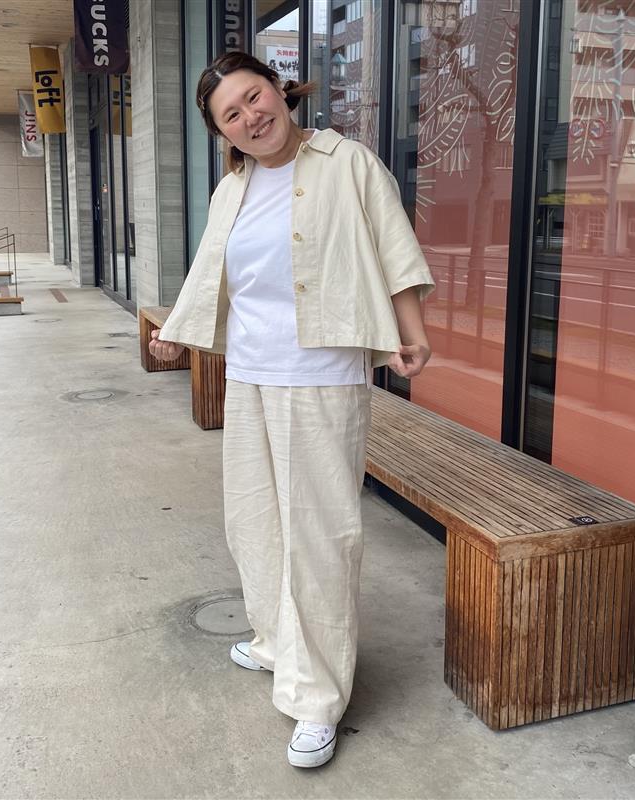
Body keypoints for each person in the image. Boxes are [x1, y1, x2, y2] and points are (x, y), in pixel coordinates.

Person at [150, 51, 434, 768]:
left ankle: (317, 698)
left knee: (318, 534)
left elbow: (394, 251)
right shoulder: (233, 189)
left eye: (254, 96)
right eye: (231, 114)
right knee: (254, 521)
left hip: (321, 376)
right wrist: (177, 334)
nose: (251, 117)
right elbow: (212, 273)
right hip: (249, 373)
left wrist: (411, 332)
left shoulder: (347, 163)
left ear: (279, 88)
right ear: (223, 133)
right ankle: (277, 641)